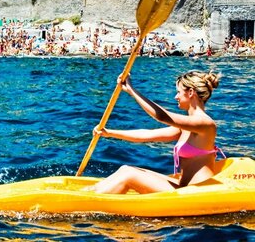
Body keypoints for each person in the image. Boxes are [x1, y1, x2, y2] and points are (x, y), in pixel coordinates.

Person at [91, 70, 223, 194]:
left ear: (190, 92)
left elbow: (162, 116)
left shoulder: (205, 124)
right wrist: (108, 133)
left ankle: (89, 203)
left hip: (199, 191)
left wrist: (132, 90)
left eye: (178, 92)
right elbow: (146, 135)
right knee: (125, 169)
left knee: (129, 175)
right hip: (184, 187)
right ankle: (84, 194)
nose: (175, 96)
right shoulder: (187, 126)